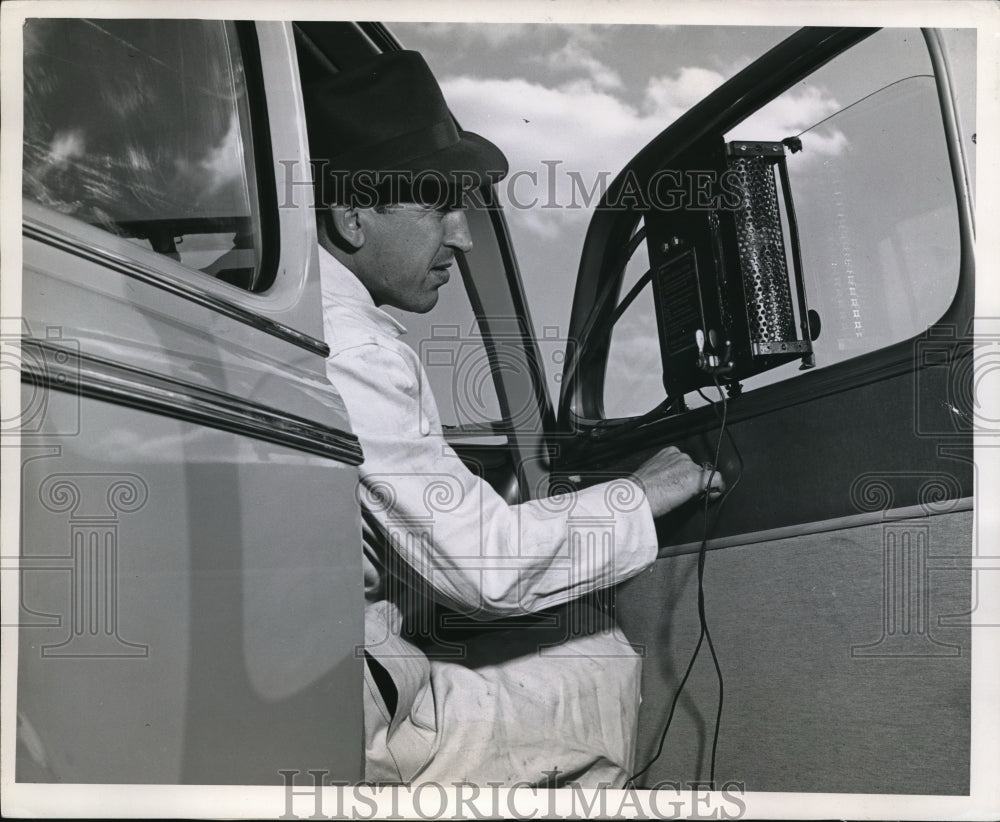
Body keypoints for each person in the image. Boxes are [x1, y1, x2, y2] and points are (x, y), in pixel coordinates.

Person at [303, 50, 724, 788]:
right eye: (440, 207)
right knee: (600, 667)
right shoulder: (354, 345)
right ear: (350, 216)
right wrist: (642, 494)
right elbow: (484, 568)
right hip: (352, 720)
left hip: (326, 678)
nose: (462, 238)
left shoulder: (311, 318)